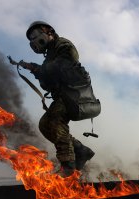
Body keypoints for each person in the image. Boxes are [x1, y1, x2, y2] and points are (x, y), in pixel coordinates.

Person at [22, 21, 95, 175]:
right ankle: (80, 150)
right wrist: (36, 70)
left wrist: (39, 68)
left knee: (55, 120)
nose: (34, 40)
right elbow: (48, 84)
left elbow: (66, 61)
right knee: (44, 125)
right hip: (65, 96)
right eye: (31, 38)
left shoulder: (62, 44)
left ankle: (68, 165)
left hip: (76, 94)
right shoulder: (49, 57)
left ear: (49, 31)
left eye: (35, 35)